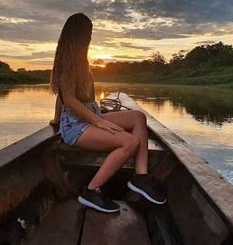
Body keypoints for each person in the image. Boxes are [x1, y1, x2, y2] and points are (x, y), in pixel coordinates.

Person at [50, 12, 166, 213]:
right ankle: (91, 190)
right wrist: (97, 122)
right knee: (130, 142)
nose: (90, 37)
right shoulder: (68, 62)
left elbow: (63, 98)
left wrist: (57, 118)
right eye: (89, 32)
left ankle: (141, 177)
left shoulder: (81, 60)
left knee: (138, 117)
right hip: (77, 126)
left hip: (90, 115)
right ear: (81, 34)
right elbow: (68, 98)